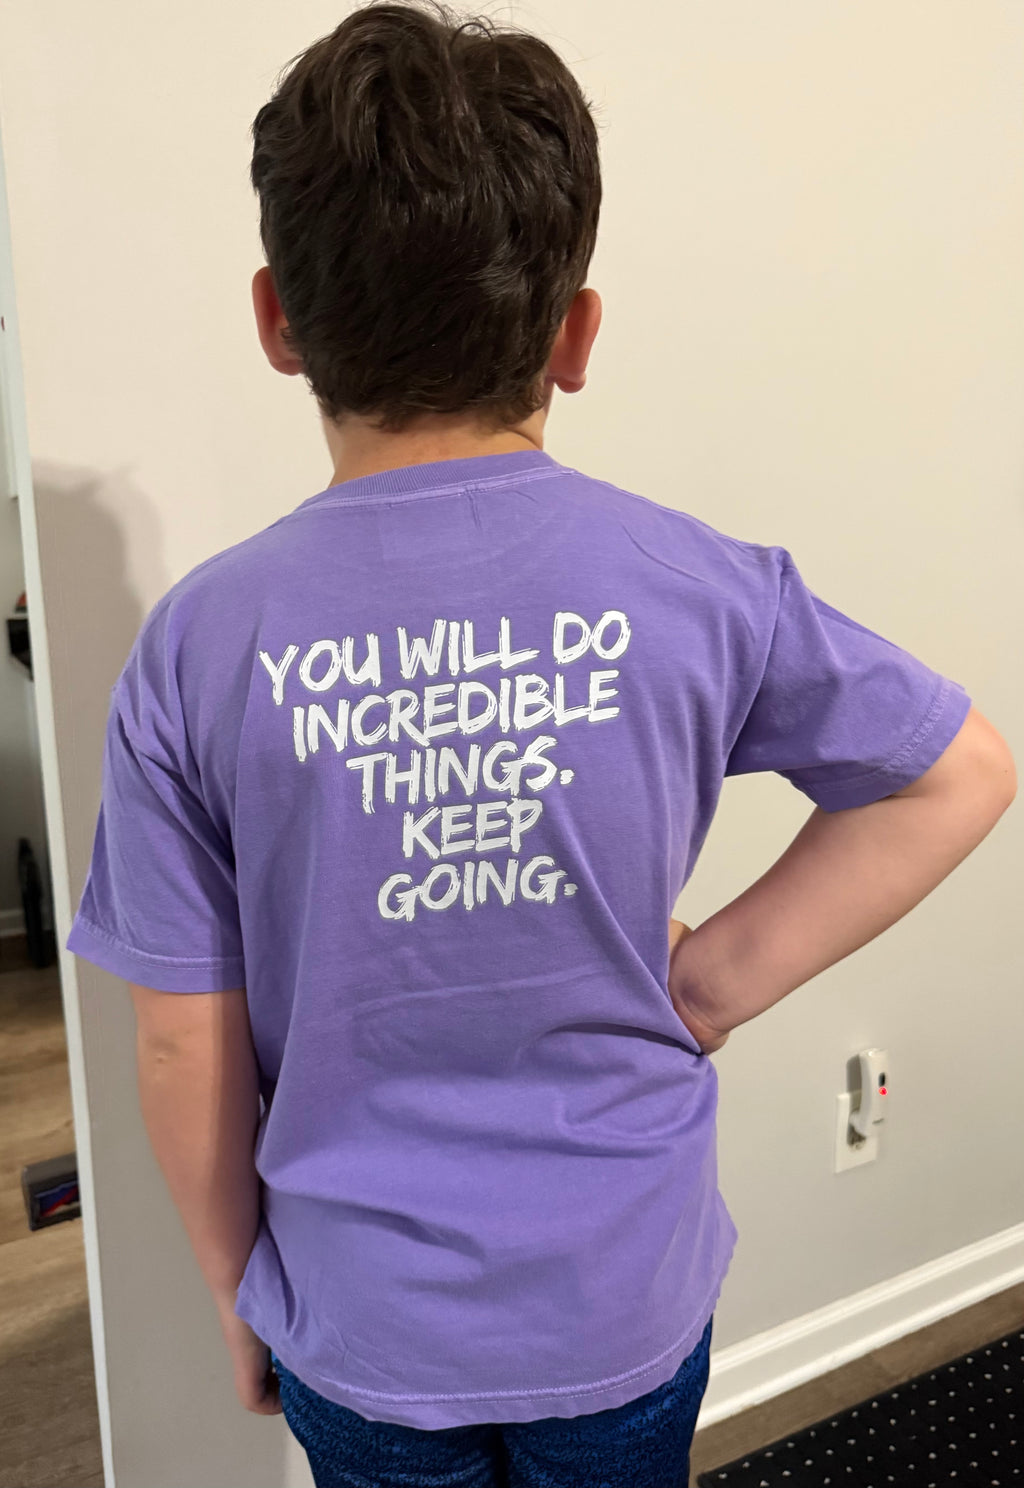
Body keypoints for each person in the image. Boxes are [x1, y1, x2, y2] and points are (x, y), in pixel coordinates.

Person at [65, 3, 1016, 1485]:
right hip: (619, 1298)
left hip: (363, 1326)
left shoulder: (199, 643)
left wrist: (239, 1291)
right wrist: (708, 983)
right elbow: (961, 771)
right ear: (575, 334)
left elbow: (181, 1033)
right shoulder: (701, 586)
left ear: (277, 321)